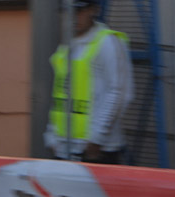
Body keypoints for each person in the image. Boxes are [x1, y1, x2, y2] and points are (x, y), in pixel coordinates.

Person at [43, 0, 135, 164]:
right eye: (68, 11)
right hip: (65, 150)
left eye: (79, 10)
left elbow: (120, 93)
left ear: (93, 10)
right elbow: (59, 94)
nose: (73, 16)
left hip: (97, 152)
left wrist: (96, 139)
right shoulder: (67, 45)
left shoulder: (108, 42)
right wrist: (52, 137)